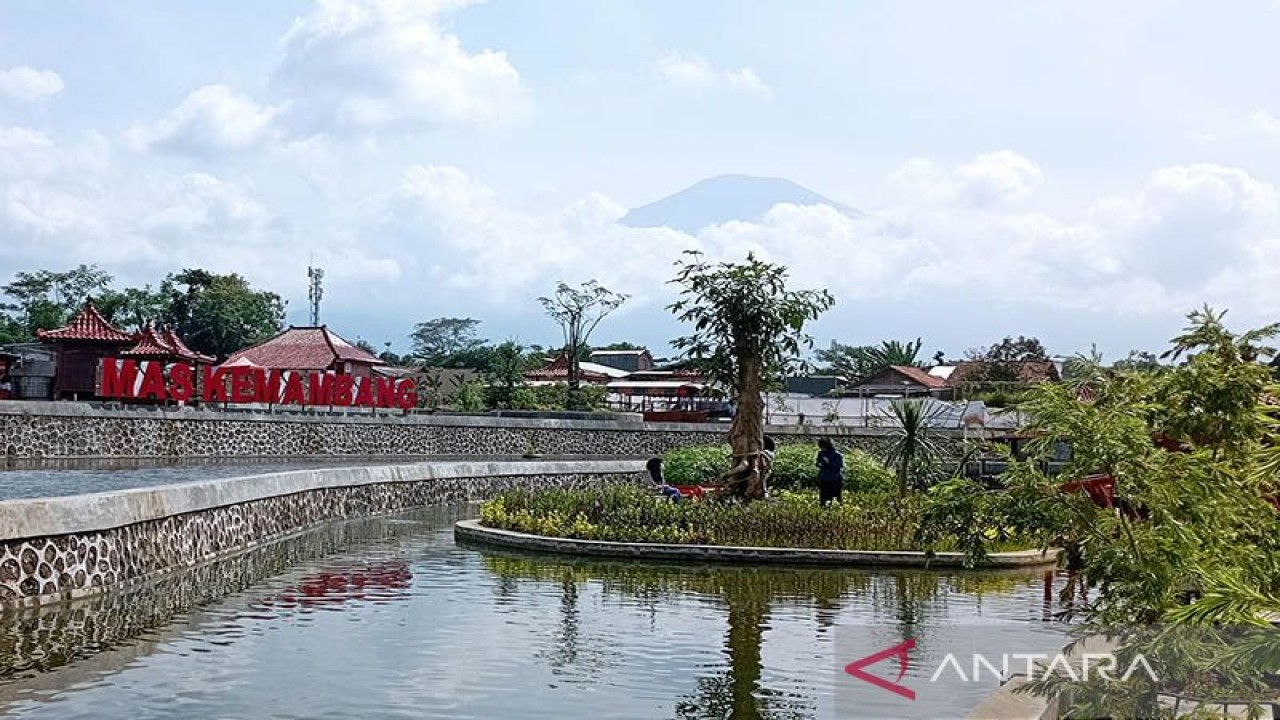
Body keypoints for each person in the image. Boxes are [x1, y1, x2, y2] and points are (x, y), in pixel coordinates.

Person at [816, 438, 844, 507]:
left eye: (823, 447)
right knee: (823, 498)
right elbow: (818, 463)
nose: (821, 448)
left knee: (836, 496)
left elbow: (839, 467)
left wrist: (829, 463)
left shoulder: (837, 455)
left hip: (834, 479)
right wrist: (820, 464)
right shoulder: (821, 453)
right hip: (823, 478)